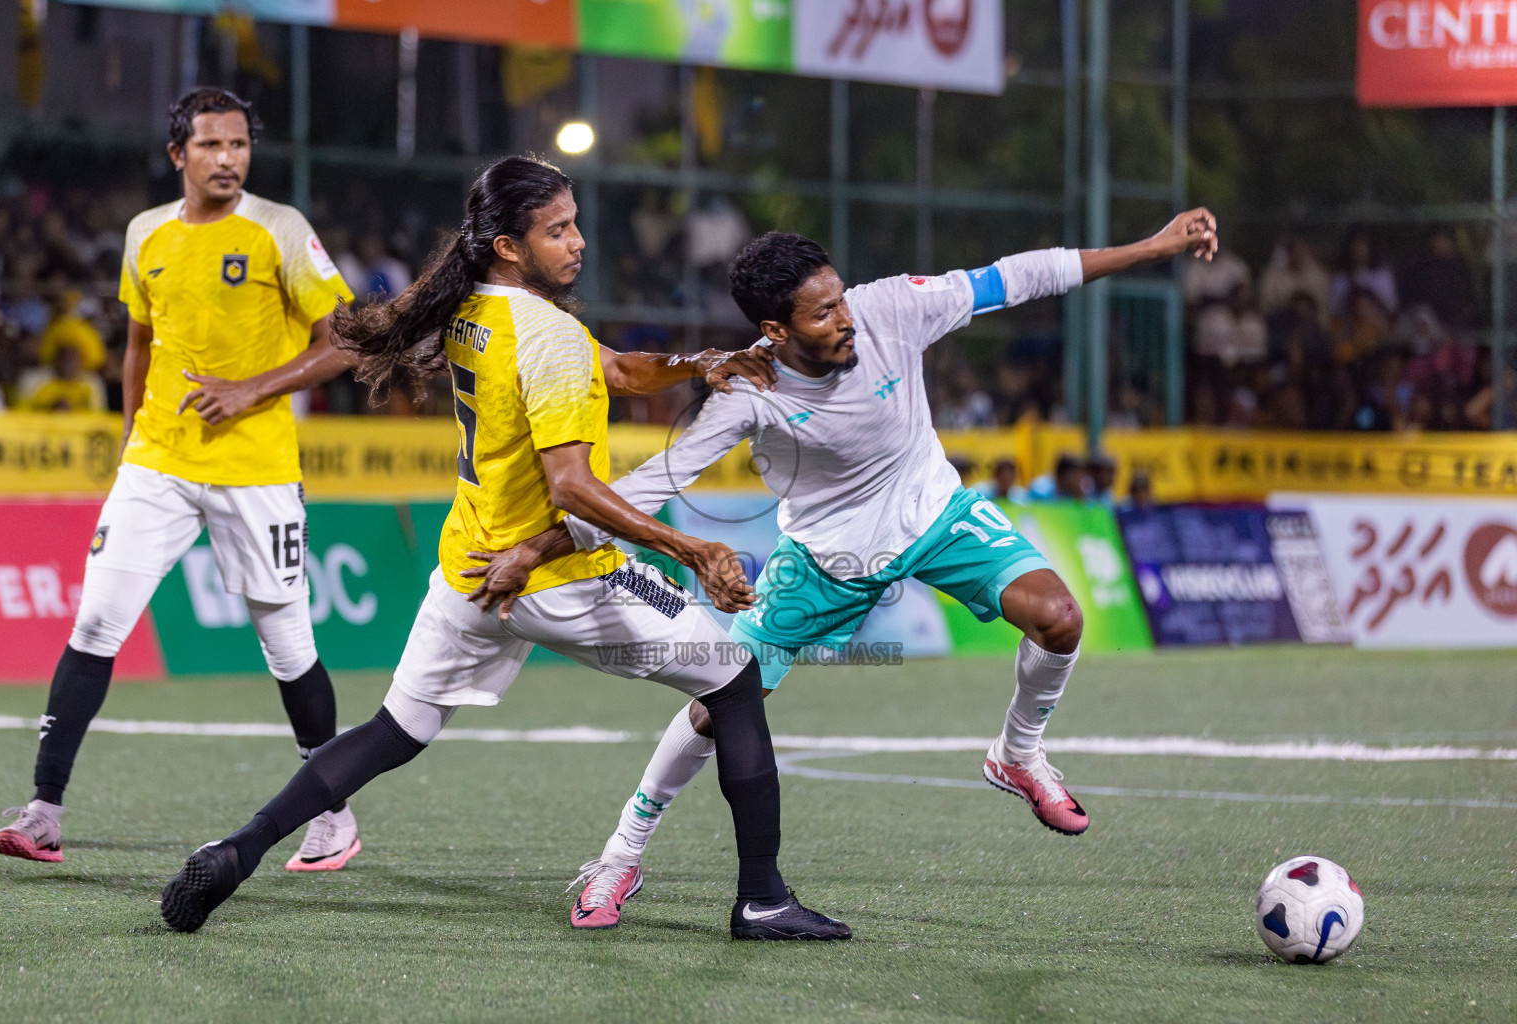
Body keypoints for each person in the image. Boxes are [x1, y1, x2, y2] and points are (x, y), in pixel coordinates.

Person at [463, 209, 1221, 928]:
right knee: (720, 701)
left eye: (840, 299)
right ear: (774, 330)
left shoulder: (892, 307)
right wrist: (534, 548)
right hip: (828, 557)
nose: (844, 319)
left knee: (1059, 617)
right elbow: (642, 491)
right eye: (821, 314)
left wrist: (1151, 249)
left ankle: (1018, 754)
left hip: (934, 514)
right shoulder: (747, 395)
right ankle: (619, 859)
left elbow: (1019, 275)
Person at [157, 155, 849, 942]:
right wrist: (689, 549)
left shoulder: (473, 309)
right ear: (510, 246)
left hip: (470, 569)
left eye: (575, 223)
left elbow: (618, 368)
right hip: (561, 579)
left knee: (392, 732)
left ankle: (236, 850)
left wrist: (700, 364)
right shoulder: (546, 335)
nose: (578, 242)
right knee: (736, 681)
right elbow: (574, 489)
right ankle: (761, 896)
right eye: (557, 231)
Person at [0, 88, 367, 870]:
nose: (228, 159)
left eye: (238, 145)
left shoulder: (280, 230)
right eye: (211, 146)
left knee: (287, 645)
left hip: (256, 469)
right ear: (177, 155)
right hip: (157, 464)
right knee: (94, 626)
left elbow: (346, 345)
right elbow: (138, 340)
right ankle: (45, 810)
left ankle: (334, 815)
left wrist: (250, 390)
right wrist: (133, 438)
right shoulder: (146, 233)